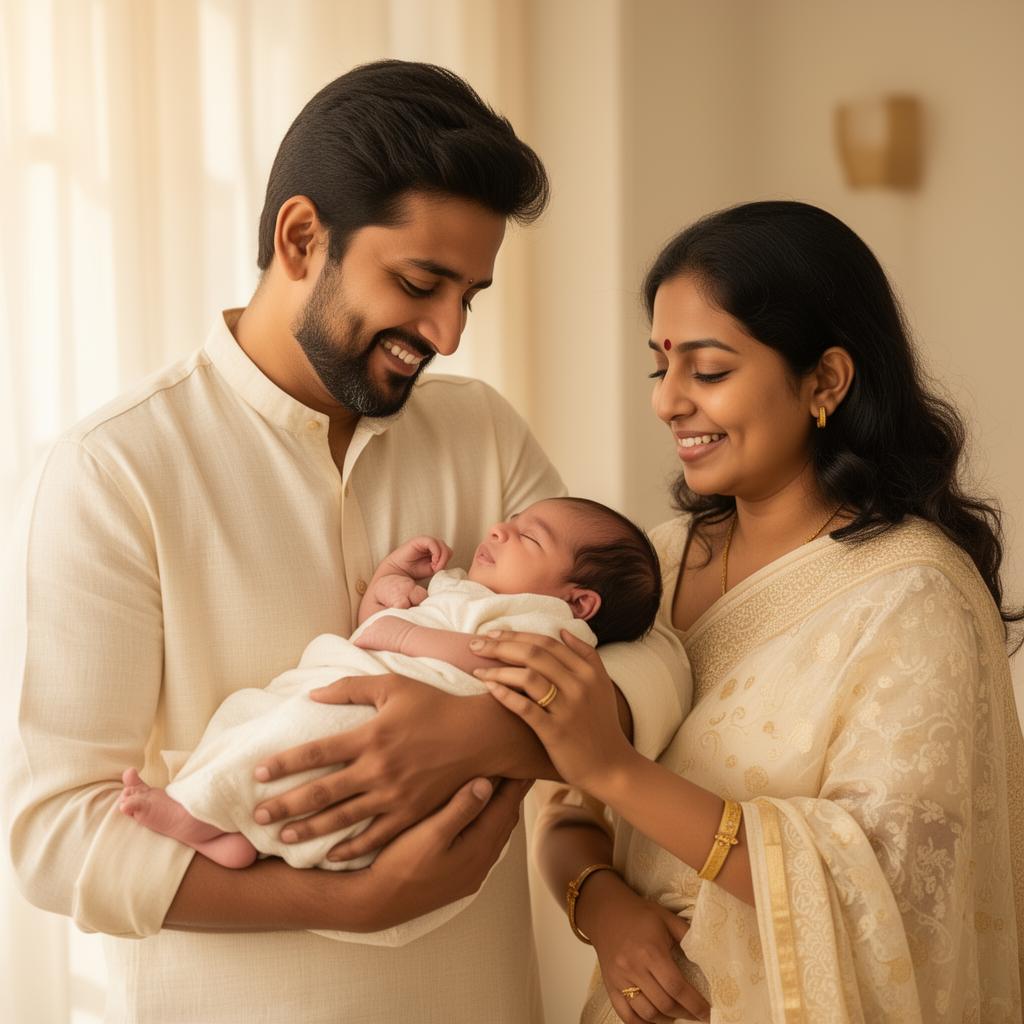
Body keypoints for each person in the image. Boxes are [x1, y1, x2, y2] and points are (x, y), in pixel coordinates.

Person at [1, 62, 691, 1023]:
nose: (448, 333)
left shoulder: (480, 432)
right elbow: (55, 837)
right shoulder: (115, 471)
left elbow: (650, 653)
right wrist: (350, 901)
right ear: (299, 238)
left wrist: (478, 734)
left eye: (470, 296)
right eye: (420, 282)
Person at [473, 201, 1024, 1023]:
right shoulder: (655, 564)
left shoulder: (915, 595)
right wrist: (604, 909)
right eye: (662, 367)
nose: (667, 402)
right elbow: (563, 799)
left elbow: (896, 882)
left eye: (710, 370)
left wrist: (619, 771)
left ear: (825, 381)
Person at [117, 496, 662, 952]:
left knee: (305, 733)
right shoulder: (464, 589)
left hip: (388, 718)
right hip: (361, 680)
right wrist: (389, 584)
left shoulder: (553, 628)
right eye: (511, 520)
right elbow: (379, 629)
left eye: (527, 537)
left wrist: (401, 634)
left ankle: (202, 812)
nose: (498, 528)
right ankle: (230, 829)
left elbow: (497, 663)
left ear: (580, 601)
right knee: (252, 713)